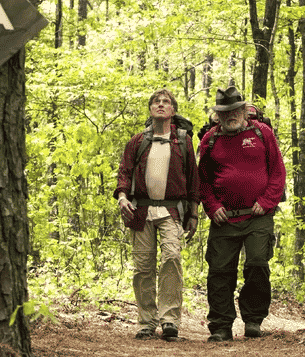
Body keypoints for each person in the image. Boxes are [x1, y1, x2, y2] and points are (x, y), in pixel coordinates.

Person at [198, 86, 286, 342]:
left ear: (243, 111)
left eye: (234, 111)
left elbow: (278, 172)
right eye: (224, 112)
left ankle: (253, 319)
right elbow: (203, 181)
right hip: (224, 217)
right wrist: (212, 207)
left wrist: (267, 201)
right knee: (219, 271)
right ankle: (221, 325)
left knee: (257, 263)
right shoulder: (210, 140)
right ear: (218, 115)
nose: (230, 116)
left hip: (258, 215)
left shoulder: (262, 133)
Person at [114, 89, 200, 340]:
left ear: (173, 110)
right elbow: (124, 173)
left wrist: (193, 213)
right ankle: (146, 322)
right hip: (141, 210)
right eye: (156, 102)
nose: (161, 105)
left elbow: (193, 178)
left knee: (172, 257)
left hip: (172, 210)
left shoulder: (183, 141)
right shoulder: (137, 141)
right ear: (150, 109)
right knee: (143, 267)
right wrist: (121, 197)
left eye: (166, 102)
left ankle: (170, 320)